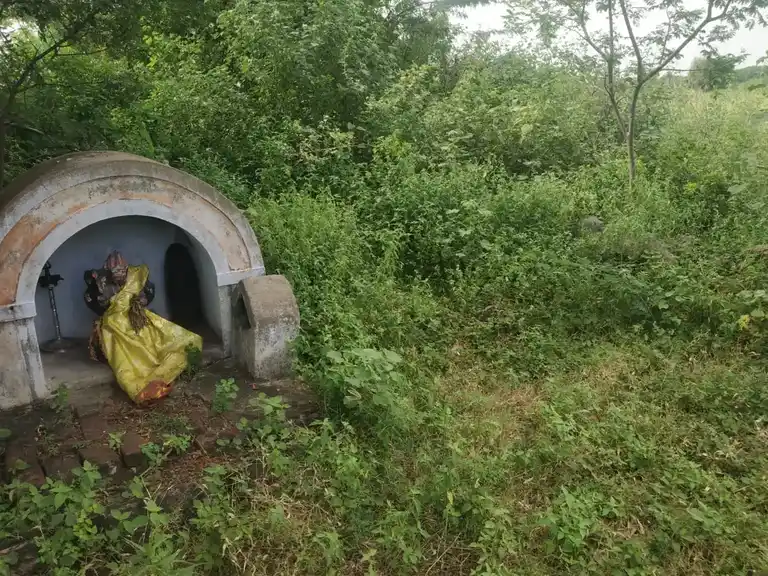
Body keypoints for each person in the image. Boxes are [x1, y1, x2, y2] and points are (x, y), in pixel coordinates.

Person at [84, 250, 202, 405]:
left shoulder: (136, 276)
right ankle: (138, 376)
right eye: (115, 273)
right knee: (115, 339)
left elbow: (148, 294)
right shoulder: (99, 281)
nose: (119, 276)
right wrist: (112, 306)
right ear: (107, 271)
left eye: (122, 272)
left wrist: (138, 302)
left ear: (127, 270)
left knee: (154, 334)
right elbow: (93, 302)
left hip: (135, 317)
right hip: (113, 323)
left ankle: (154, 365)